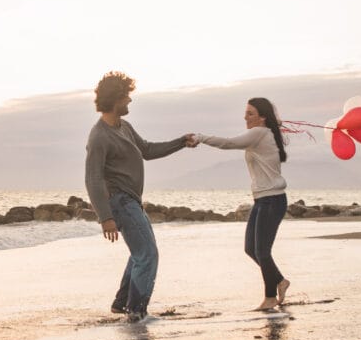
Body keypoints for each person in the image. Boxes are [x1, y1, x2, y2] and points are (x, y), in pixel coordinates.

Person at [84, 71, 196, 322]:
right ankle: (136, 312)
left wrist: (181, 142)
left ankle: (122, 304)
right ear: (115, 99)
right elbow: (92, 178)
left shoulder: (124, 127)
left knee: (140, 253)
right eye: (127, 97)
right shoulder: (99, 136)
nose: (130, 102)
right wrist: (105, 218)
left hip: (131, 200)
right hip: (119, 201)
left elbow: (147, 150)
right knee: (148, 255)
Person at [194, 97, 289, 311]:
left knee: (262, 251)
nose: (245, 117)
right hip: (263, 200)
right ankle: (280, 281)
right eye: (245, 113)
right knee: (250, 248)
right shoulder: (265, 134)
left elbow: (228, 143)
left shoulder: (259, 133)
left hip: (272, 200)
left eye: (250, 113)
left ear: (262, 118)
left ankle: (270, 297)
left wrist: (200, 137)